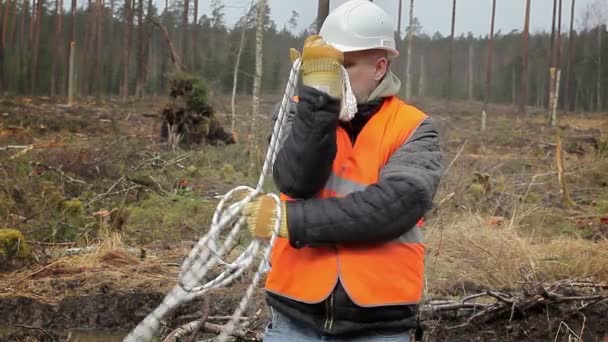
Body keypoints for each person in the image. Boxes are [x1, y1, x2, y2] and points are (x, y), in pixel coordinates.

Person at [244, 1, 443, 341]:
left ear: (380, 67)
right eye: (326, 67)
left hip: (379, 324)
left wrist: (292, 221)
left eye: (345, 66)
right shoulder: (297, 113)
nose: (334, 76)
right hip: (294, 316)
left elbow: (392, 208)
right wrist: (319, 101)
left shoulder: (414, 128)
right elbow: (296, 180)